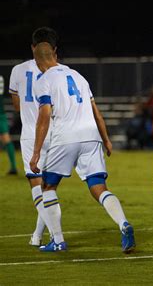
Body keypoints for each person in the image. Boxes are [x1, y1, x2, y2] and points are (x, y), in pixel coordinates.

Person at [30, 42, 135, 253]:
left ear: (36, 60)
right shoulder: (79, 76)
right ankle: (123, 223)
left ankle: (58, 240)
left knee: (48, 187)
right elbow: (96, 112)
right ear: (55, 54)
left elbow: (44, 116)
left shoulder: (43, 80)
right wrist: (105, 139)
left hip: (66, 137)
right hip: (91, 136)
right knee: (98, 187)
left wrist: (36, 152)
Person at [8, 27, 61, 246]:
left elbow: (17, 104)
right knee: (49, 189)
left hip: (31, 134)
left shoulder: (18, 70)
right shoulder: (61, 71)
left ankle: (56, 235)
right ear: (54, 50)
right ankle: (38, 235)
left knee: (37, 188)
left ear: (33, 47)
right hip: (56, 135)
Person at [0, 75, 18, 175]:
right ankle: (13, 167)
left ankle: (13, 167)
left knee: (6, 138)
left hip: (0, 114)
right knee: (6, 138)